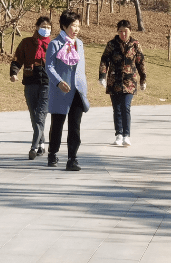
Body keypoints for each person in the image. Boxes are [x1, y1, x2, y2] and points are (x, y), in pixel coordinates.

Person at [45, 10, 90, 170]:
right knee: (57, 125)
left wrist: (83, 86)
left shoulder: (80, 44)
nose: (76, 29)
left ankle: (72, 158)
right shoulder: (55, 44)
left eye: (78, 26)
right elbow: (48, 67)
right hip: (61, 91)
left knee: (75, 126)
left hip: (77, 90)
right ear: (64, 26)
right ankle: (52, 152)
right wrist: (59, 82)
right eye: (73, 26)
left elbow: (80, 69)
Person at [10, 16, 52, 160]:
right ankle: (42, 143)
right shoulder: (26, 43)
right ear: (36, 27)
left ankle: (34, 147)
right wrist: (14, 73)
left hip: (47, 84)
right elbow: (17, 60)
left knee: (41, 115)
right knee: (34, 115)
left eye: (48, 27)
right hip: (30, 82)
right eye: (43, 27)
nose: (46, 30)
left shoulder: (53, 45)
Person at [99, 20, 146, 146]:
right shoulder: (111, 44)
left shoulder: (135, 44)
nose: (123, 34)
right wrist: (102, 76)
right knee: (117, 108)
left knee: (126, 107)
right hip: (114, 81)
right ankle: (118, 134)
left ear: (130, 31)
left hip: (129, 81)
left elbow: (140, 62)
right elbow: (104, 60)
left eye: (125, 31)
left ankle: (126, 135)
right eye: (120, 31)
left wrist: (143, 79)